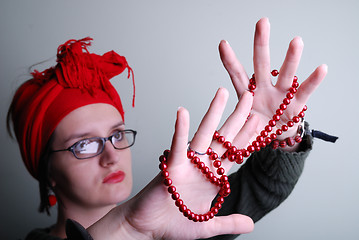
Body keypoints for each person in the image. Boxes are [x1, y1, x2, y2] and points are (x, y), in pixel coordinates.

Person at [7, 18, 327, 240]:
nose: (111, 156)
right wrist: (128, 230)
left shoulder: (182, 216)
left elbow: (263, 187)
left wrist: (283, 134)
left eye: (117, 135)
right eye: (84, 145)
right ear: (47, 170)